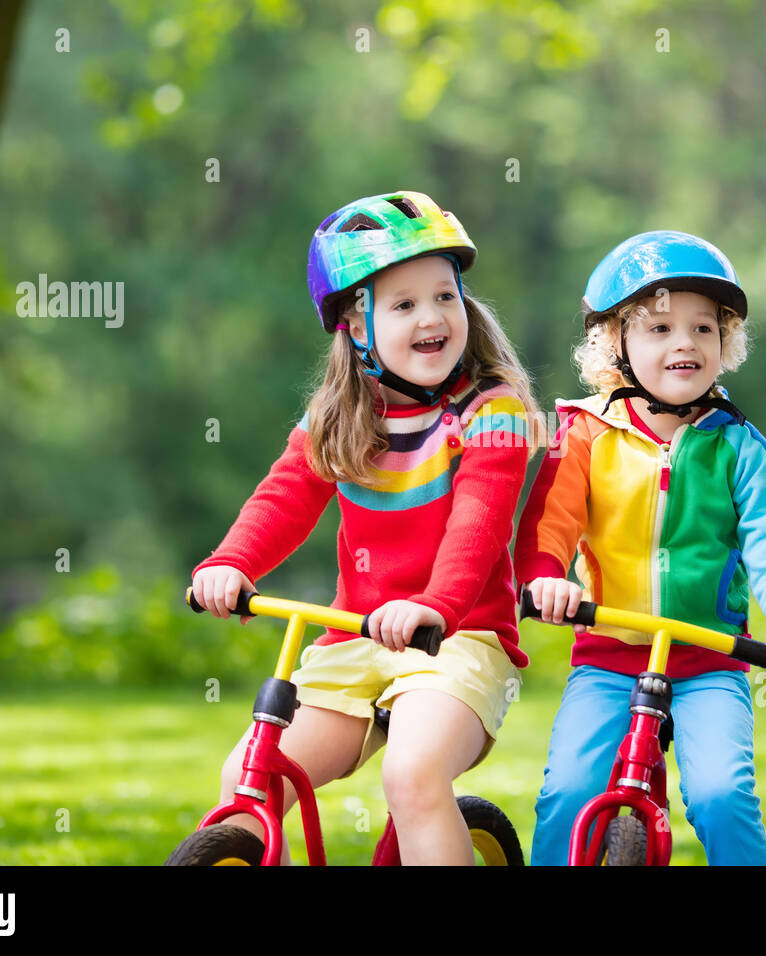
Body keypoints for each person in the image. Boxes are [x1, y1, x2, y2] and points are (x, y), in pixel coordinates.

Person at [192, 190, 538, 864]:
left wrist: (433, 605)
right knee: (248, 779)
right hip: (356, 638)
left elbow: (479, 523)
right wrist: (232, 562)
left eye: (444, 295)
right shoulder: (341, 417)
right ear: (355, 325)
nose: (432, 316)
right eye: (404, 304)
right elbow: (284, 497)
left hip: (460, 636)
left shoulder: (493, 411)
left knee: (410, 775)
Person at [514, 230, 766, 865]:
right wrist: (546, 574)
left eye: (703, 329)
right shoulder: (583, 435)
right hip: (608, 654)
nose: (684, 341)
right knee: (569, 792)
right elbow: (549, 521)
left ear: (725, 345)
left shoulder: (738, 445)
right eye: (659, 328)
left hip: (710, 660)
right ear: (616, 347)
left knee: (721, 795)